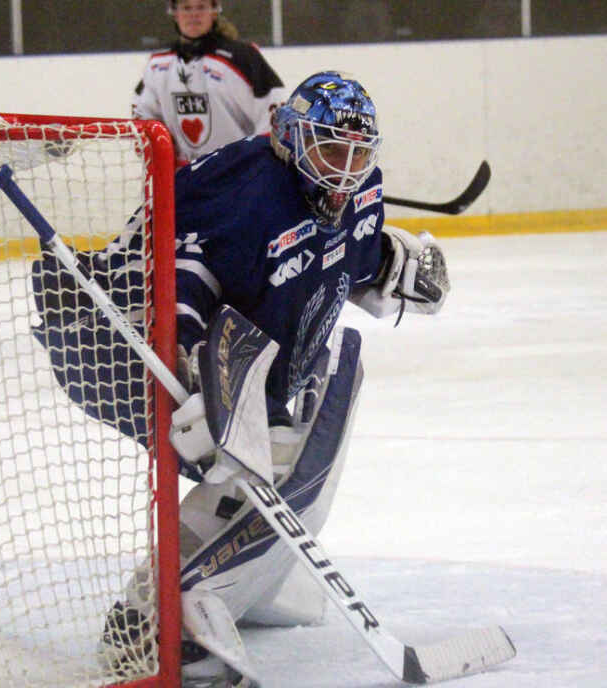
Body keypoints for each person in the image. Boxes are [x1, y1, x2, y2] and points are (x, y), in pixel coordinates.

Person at [31, 71, 450, 687]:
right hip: (116, 341)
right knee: (253, 472)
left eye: (358, 154)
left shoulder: (356, 191)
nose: (345, 171)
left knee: (291, 469)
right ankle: (147, 621)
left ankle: (246, 588)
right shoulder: (243, 196)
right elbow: (176, 287)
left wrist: (395, 264)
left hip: (242, 360)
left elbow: (347, 253)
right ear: (292, 138)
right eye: (331, 151)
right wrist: (188, 374)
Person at [132, 0, 288, 166]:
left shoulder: (242, 57)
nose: (194, 14)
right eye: (186, 8)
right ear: (175, 14)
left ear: (214, 11)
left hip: (235, 172)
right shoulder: (158, 63)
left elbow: (273, 111)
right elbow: (144, 114)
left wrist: (255, 164)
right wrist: (156, 153)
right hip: (184, 175)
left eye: (201, 7)